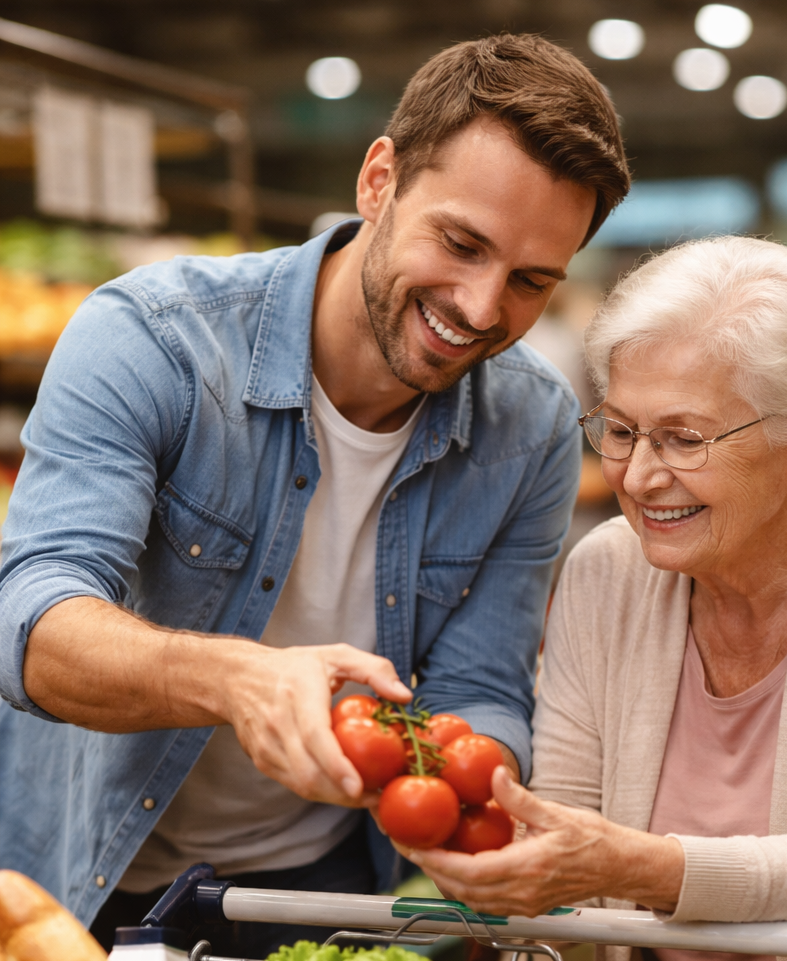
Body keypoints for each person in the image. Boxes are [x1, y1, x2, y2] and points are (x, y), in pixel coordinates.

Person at [0, 34, 630, 955]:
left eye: (532, 280)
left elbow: (481, 685)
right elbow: (29, 622)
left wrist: (477, 795)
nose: (483, 307)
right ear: (379, 180)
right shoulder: (155, 342)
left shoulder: (529, 428)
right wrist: (237, 679)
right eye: (460, 243)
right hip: (78, 875)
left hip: (325, 890)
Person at [412, 237, 787, 961]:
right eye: (619, 429)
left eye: (682, 438)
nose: (636, 477)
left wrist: (637, 864)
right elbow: (564, 841)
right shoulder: (607, 570)